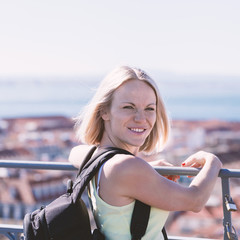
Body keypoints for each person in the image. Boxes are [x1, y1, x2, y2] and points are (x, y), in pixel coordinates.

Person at [69, 66, 222, 240]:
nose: (141, 118)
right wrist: (213, 161)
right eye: (128, 107)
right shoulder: (125, 166)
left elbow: (74, 153)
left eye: (149, 109)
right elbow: (195, 200)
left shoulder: (96, 158)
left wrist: (147, 169)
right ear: (104, 111)